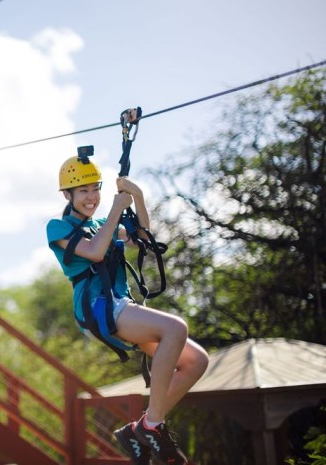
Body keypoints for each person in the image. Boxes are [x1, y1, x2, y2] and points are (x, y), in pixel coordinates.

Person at [46, 153, 209, 465]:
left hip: (121, 304)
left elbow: (143, 238)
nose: (91, 197)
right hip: (98, 309)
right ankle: (152, 426)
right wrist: (116, 210)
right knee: (175, 327)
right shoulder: (57, 227)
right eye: (83, 191)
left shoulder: (100, 223)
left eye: (95, 189)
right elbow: (94, 252)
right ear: (67, 195)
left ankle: (140, 427)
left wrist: (138, 197)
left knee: (196, 361)